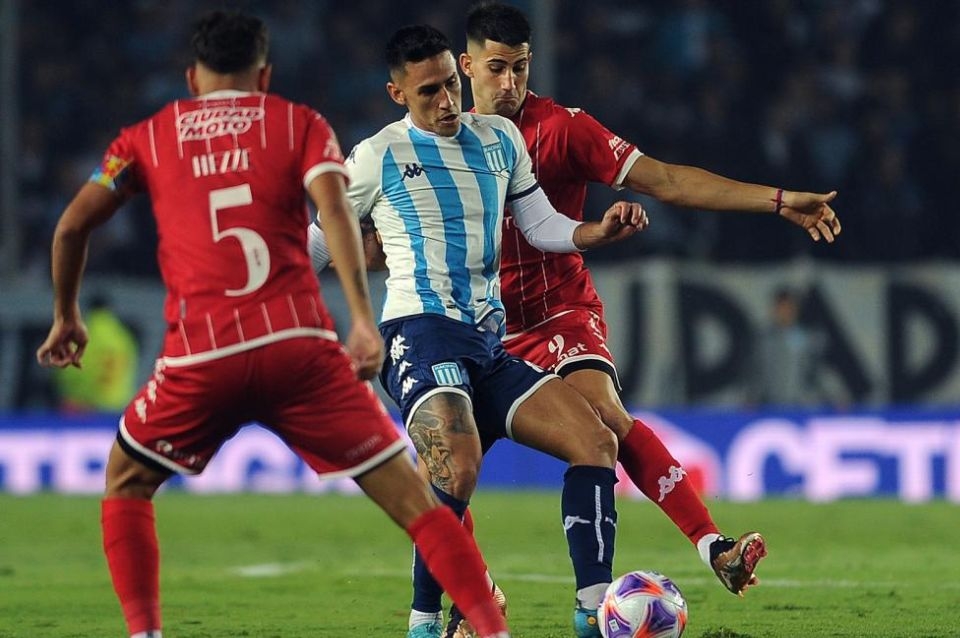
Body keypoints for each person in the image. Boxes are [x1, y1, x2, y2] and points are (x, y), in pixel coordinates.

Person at [35, 11, 512, 638]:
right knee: (417, 499)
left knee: (126, 479)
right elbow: (335, 211)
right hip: (299, 350)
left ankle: (145, 633)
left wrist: (66, 315)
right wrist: (360, 319)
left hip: (201, 354)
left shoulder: (146, 136)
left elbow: (72, 226)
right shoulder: (297, 122)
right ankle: (491, 629)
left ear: (192, 78)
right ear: (264, 75)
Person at [399, 3, 845, 636]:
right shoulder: (436, 138)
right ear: (466, 68)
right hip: (478, 328)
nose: (510, 82)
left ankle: (701, 551)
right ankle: (478, 594)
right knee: (440, 474)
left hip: (557, 313)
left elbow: (666, 180)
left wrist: (775, 201)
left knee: (603, 418)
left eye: (520, 67)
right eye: (496, 68)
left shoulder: (563, 129)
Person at [308, 24, 649, 638]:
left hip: (488, 343)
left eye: (451, 85)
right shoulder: (376, 155)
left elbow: (541, 224)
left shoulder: (498, 139)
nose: (446, 102)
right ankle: (424, 622)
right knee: (457, 466)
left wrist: (595, 233)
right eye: (428, 92)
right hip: (419, 332)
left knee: (596, 442)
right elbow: (316, 245)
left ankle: (594, 612)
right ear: (397, 94)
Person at [53, 291, 139, 413]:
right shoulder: (123, 336)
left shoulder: (78, 335)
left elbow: (67, 371)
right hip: (119, 406)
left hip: (85, 407)